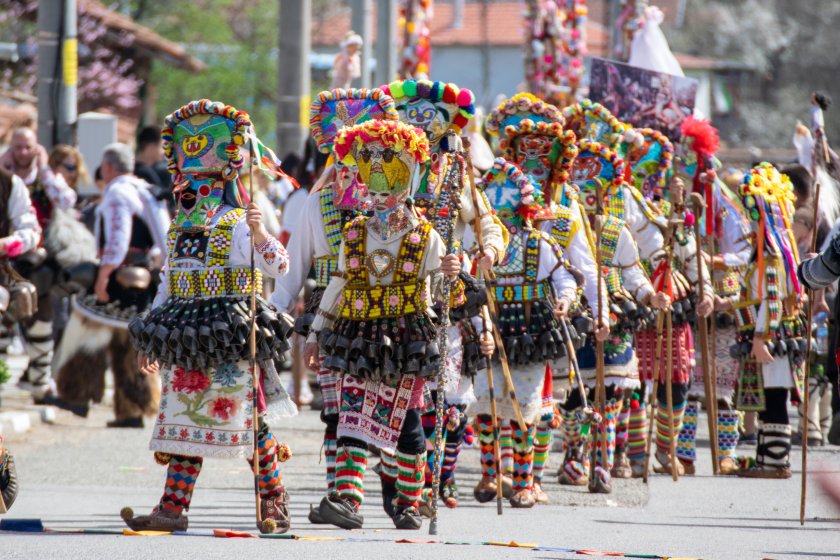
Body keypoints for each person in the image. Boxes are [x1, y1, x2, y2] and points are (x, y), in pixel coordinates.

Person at [121, 100, 297, 533]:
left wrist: (259, 234)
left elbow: (280, 267)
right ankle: (172, 508)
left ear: (222, 181)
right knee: (185, 420)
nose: (193, 191)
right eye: (188, 183)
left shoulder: (240, 222)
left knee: (248, 421)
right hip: (185, 332)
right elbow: (169, 283)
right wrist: (151, 336)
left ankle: (273, 501)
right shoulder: (179, 228)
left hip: (231, 333)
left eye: (201, 182)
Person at [305, 119, 459, 530]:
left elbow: (445, 295)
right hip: (356, 334)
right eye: (372, 187)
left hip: (407, 337)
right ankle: (347, 500)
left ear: (406, 182)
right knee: (352, 415)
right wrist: (317, 332)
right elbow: (339, 283)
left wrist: (449, 272)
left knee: (406, 423)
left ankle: (410, 501)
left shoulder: (427, 237)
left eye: (386, 187)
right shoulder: (354, 232)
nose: (378, 196)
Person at [272, 87, 400, 522]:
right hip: (331, 320)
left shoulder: (400, 203)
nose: (353, 166)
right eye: (346, 155)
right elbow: (296, 265)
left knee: (385, 406)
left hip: (388, 317)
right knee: (338, 409)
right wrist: (274, 310)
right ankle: (342, 497)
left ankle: (392, 485)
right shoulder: (318, 201)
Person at [471, 159, 579, 508]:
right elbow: (470, 290)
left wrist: (564, 299)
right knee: (486, 406)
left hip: (531, 333)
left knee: (525, 409)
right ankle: (490, 473)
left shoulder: (538, 244)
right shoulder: (479, 248)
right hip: (491, 328)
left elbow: (564, 278)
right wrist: (478, 325)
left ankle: (524, 481)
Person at [51, 143, 167, 426]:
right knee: (129, 342)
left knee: (85, 331)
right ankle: (133, 409)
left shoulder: (117, 191)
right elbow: (165, 236)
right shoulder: (146, 190)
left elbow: (118, 237)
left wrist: (104, 275)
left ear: (108, 167)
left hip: (117, 275)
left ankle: (76, 395)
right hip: (143, 275)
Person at [732, 163, 805, 479]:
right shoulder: (771, 249)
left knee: (774, 395)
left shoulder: (771, 253)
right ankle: (768, 457)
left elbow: (772, 298)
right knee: (769, 396)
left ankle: (775, 462)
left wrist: (762, 337)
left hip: (770, 337)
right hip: (768, 335)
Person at [0, 128, 78, 401]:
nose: (22, 153)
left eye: (28, 147)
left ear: (37, 148)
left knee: (40, 315)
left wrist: (45, 170)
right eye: (17, 147)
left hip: (35, 256)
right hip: (8, 261)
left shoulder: (38, 178)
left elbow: (67, 201)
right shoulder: (5, 175)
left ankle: (40, 382)